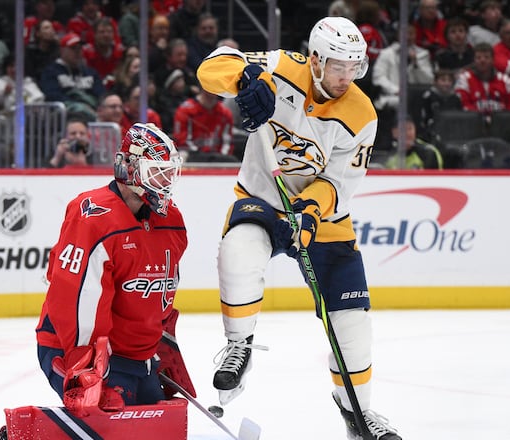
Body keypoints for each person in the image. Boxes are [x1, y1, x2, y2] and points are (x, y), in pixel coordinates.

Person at [197, 16, 402, 440]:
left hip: (323, 220)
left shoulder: (362, 113)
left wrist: (310, 211)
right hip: (262, 199)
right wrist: (245, 80)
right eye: (337, 66)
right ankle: (240, 346)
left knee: (351, 324)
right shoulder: (281, 66)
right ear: (315, 59)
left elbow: (339, 183)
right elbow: (211, 67)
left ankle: (358, 413)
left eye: (354, 67)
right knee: (237, 252)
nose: (346, 77)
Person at [35, 122, 193, 415]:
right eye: (157, 171)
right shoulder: (92, 216)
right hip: (81, 351)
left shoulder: (171, 220)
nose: (166, 180)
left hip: (139, 358)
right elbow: (72, 298)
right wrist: (83, 365)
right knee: (112, 426)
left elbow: (162, 290)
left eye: (169, 171)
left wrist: (163, 345)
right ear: (129, 167)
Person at [454, 42, 510, 116]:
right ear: (474, 61)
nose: (482, 60)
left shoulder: (506, 81)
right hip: (472, 124)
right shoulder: (464, 79)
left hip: (502, 125)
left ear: (493, 60)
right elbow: (462, 106)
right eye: (478, 57)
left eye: (486, 57)